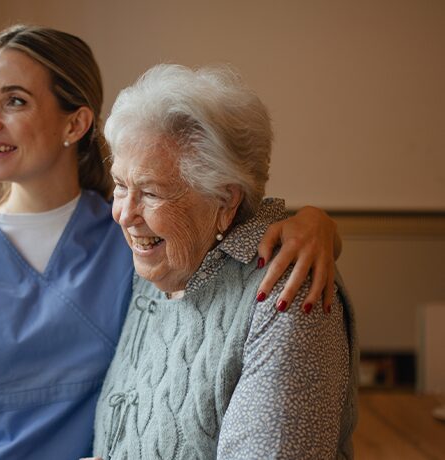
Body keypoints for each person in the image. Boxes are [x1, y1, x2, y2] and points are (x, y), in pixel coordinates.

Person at [0, 25, 343, 460]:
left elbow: (222, 230)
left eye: (15, 100)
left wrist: (314, 222)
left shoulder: (131, 243)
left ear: (75, 124)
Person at [89, 64, 356, 460]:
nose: (124, 213)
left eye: (150, 192)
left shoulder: (285, 296)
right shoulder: (161, 265)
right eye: (122, 185)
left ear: (226, 201)